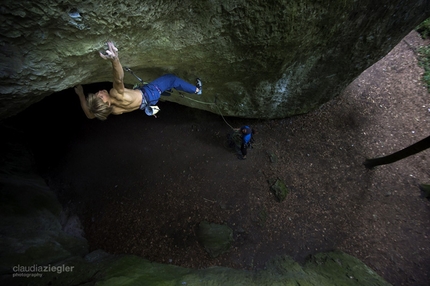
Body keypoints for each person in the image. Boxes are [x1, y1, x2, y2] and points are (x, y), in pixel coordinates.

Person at [74, 41, 202, 120]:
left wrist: (80, 94)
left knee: (161, 88)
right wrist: (115, 60)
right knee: (171, 79)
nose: (100, 92)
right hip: (150, 92)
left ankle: (165, 91)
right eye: (101, 97)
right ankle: (197, 90)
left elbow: (90, 115)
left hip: (145, 103)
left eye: (97, 94)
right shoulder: (114, 94)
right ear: (106, 104)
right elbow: (118, 79)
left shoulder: (111, 110)